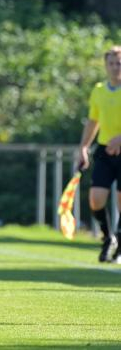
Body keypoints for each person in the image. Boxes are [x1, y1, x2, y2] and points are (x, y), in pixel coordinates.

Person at [78, 45, 121, 263]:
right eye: (112, 63)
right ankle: (107, 237)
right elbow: (93, 121)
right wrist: (84, 147)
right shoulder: (99, 90)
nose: (116, 68)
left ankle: (120, 246)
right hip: (105, 150)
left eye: (119, 63)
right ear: (106, 66)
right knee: (96, 199)